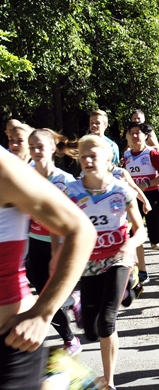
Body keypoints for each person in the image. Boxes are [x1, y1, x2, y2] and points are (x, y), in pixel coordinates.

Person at [0, 146, 96, 390]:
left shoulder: (4, 170)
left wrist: (43, 313)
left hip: (12, 339)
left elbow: (80, 230)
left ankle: (56, 379)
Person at [66, 135, 148, 390]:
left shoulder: (122, 190)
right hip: (88, 262)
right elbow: (62, 227)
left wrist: (129, 245)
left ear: (108, 160)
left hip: (117, 260)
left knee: (106, 322)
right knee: (89, 328)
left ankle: (109, 384)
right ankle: (128, 289)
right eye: (83, 156)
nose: (88, 161)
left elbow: (140, 229)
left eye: (94, 156)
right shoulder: (72, 191)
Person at [26, 129, 82, 355]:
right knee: (43, 294)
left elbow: (78, 218)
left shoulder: (65, 181)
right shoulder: (26, 175)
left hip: (61, 243)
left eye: (40, 146)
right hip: (34, 242)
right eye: (32, 147)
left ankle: (75, 297)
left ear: (51, 149)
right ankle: (70, 338)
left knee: (54, 293)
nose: (36, 151)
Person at [123, 122, 159, 262]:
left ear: (145, 136)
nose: (135, 136)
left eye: (138, 133)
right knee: (133, 233)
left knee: (154, 238)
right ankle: (137, 268)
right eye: (132, 133)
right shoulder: (127, 155)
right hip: (134, 197)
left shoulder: (151, 153)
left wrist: (147, 183)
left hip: (151, 196)